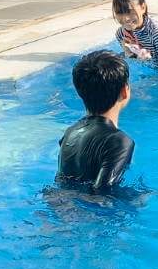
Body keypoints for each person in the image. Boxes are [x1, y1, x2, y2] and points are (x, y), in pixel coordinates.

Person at [56, 51, 135, 194]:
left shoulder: (70, 132)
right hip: (88, 206)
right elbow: (103, 193)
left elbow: (63, 183)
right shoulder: (119, 141)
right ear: (124, 91)